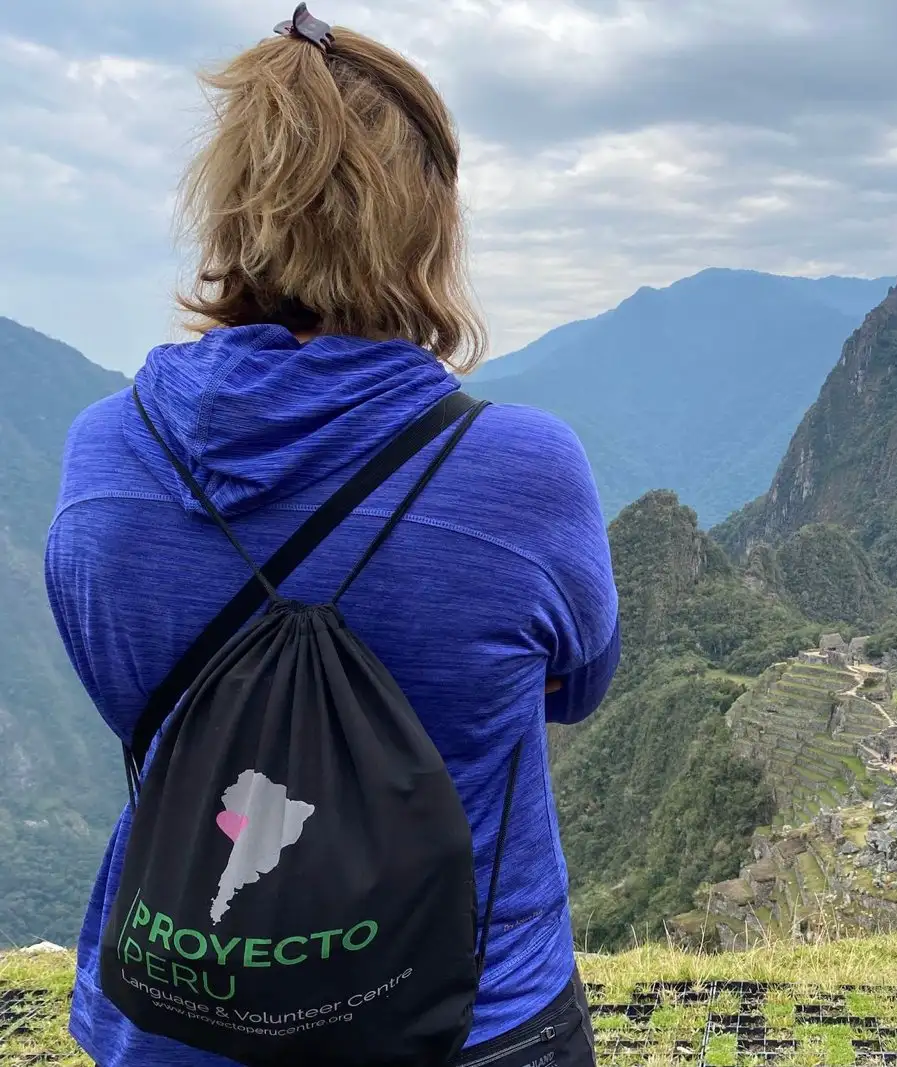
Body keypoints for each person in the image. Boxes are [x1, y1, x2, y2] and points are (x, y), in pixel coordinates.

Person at [44, 9, 618, 1067]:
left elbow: (127, 692)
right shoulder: (526, 471)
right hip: (470, 1020)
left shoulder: (101, 460)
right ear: (429, 221)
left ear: (225, 211)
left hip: (179, 1019)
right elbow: (575, 688)